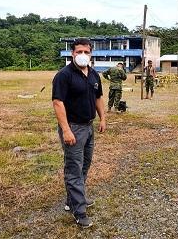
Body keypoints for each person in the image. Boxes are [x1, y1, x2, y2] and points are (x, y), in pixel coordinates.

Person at [52, 38, 106, 228]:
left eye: (86, 52)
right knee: (74, 168)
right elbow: (58, 103)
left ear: (91, 54)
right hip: (73, 127)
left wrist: (103, 119)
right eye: (79, 52)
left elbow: (98, 97)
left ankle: (74, 199)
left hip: (88, 126)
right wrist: (66, 130)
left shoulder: (93, 74)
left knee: (84, 165)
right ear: (72, 53)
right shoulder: (64, 76)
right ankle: (79, 211)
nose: (83, 55)